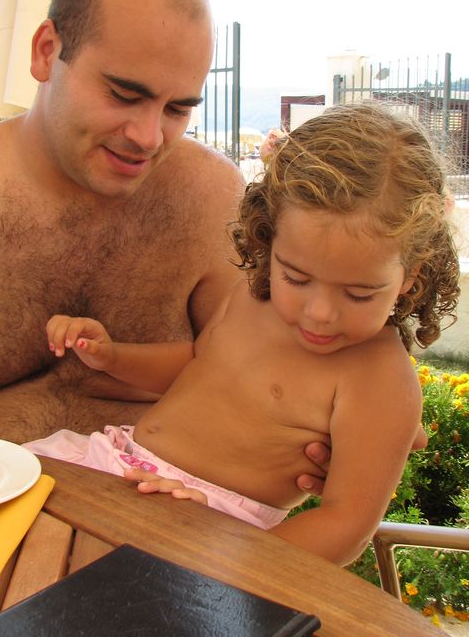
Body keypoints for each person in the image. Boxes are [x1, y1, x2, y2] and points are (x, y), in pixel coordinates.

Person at [0, 0, 329, 491]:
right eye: (124, 94)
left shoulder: (214, 200)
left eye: (178, 109)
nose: (149, 137)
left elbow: (273, 381)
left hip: (167, 520)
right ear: (47, 52)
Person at [27, 102, 459, 565]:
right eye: (296, 278)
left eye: (358, 294)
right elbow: (197, 367)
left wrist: (231, 561)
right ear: (270, 238)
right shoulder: (251, 298)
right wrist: (114, 357)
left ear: (410, 275)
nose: (319, 313)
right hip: (115, 461)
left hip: (212, 527)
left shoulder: (379, 379)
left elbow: (346, 524)